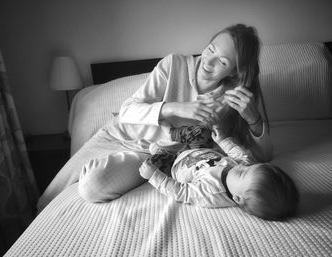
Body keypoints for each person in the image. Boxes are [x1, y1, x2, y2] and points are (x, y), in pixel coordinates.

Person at [38, 24, 273, 210]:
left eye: (222, 61)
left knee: (92, 187)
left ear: (235, 71)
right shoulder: (174, 65)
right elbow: (128, 110)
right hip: (119, 135)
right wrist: (176, 108)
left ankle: (120, 168)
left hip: (157, 155)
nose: (208, 62)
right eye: (210, 49)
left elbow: (262, 158)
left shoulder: (233, 98)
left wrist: (254, 119)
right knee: (49, 197)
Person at [139, 126, 299, 221]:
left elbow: (180, 192)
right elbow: (239, 155)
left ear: (237, 198)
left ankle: (162, 152)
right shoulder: (244, 173)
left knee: (150, 166)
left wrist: (154, 176)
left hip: (174, 166)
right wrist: (222, 140)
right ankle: (172, 132)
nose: (244, 166)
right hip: (198, 150)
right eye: (251, 167)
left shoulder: (212, 192)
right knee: (203, 132)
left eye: (243, 173)